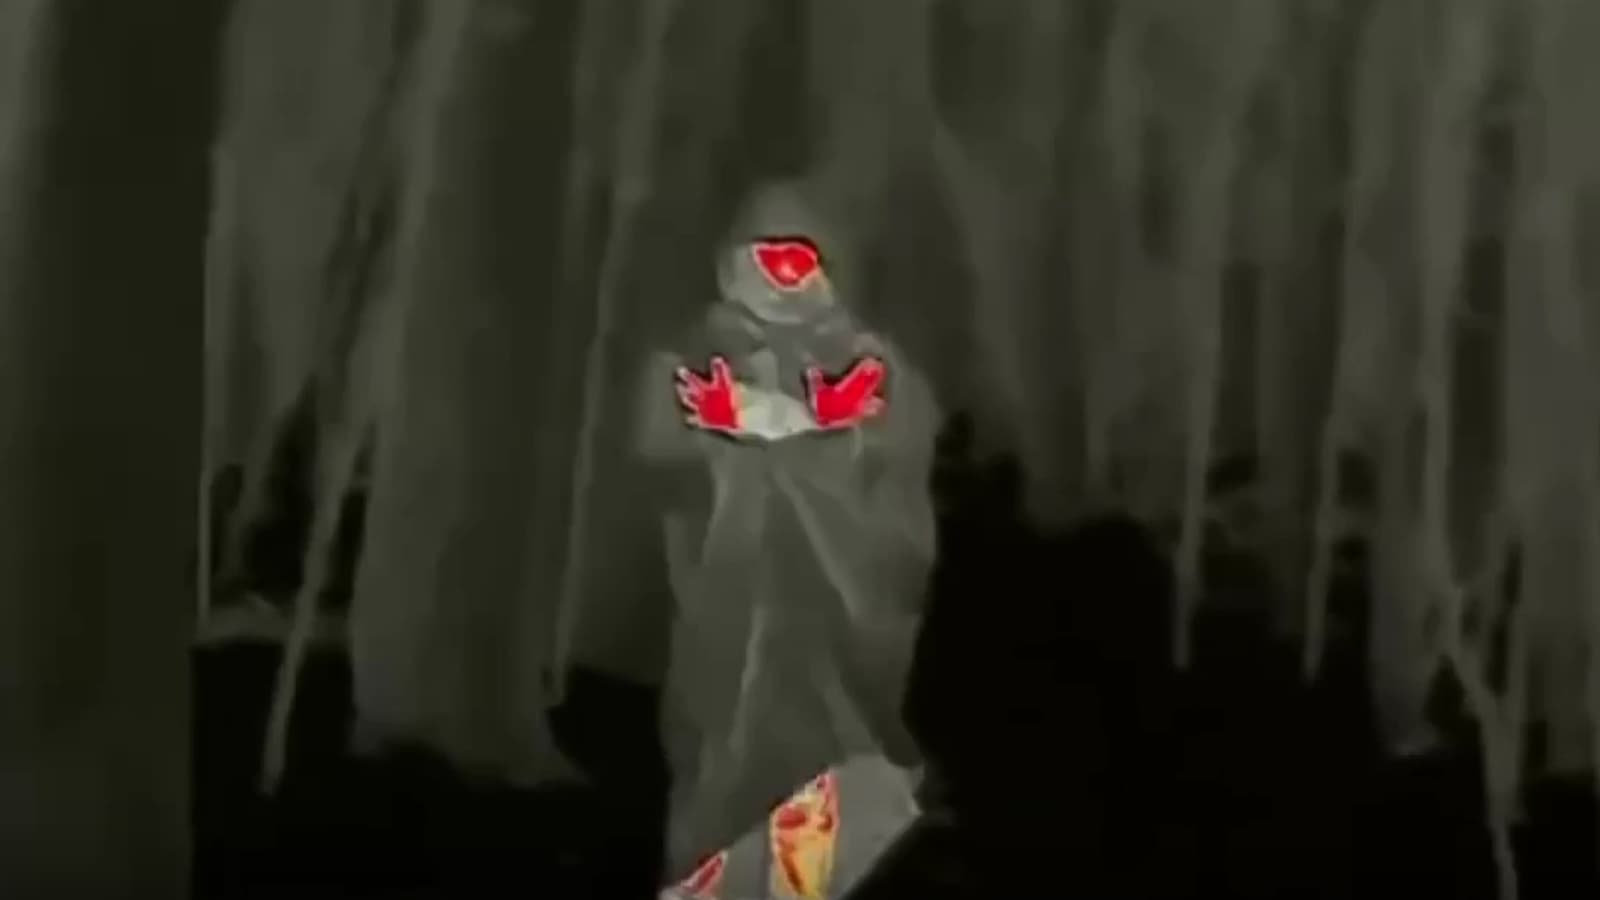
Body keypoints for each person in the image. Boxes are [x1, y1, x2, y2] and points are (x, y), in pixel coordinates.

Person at [631, 181, 941, 886]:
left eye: (798, 259)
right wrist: (753, 425)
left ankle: (808, 876)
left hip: (830, 595)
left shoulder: (863, 354)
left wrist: (800, 425)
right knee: (726, 724)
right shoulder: (701, 348)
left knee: (821, 734)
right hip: (731, 584)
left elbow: (894, 432)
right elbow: (662, 438)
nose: (782, 277)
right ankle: (718, 871)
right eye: (766, 258)